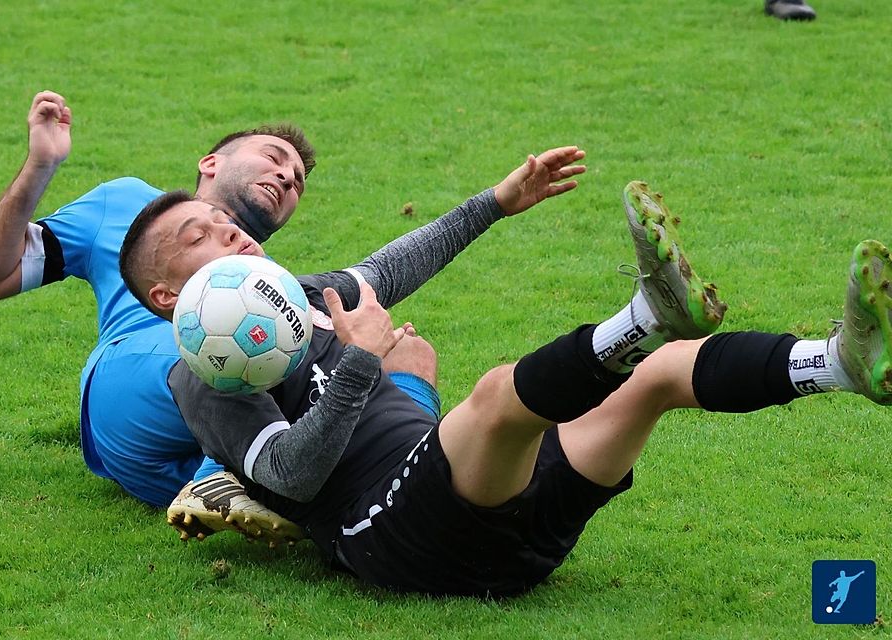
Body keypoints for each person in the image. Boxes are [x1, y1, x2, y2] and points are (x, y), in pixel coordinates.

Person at [121, 159, 891, 596]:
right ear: (166, 296)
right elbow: (288, 478)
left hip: (502, 527)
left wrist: (496, 202)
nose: (230, 230)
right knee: (498, 398)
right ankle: (646, 312)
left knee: (657, 378)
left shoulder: (304, 296)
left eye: (223, 223)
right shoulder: (203, 377)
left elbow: (395, 263)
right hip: (391, 534)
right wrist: (360, 362)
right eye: (199, 236)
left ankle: (840, 364)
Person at [0, 91, 440, 545]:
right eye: (273, 157)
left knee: (409, 352)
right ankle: (218, 479)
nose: (287, 178)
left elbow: (381, 275)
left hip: (169, 466)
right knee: (269, 361)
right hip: (133, 383)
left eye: (296, 181)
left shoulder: (272, 288)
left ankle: (405, 483)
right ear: (212, 163)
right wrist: (40, 166)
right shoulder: (127, 204)